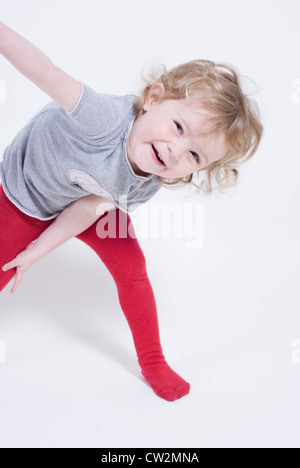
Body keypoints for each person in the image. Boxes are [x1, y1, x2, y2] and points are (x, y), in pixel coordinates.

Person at [0, 21, 263, 402]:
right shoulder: (103, 120)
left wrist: (38, 251)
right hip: (24, 192)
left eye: (194, 155)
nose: (175, 150)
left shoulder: (150, 179)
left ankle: (153, 360)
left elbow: (89, 208)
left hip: (83, 198)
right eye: (177, 127)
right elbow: (46, 71)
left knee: (133, 270)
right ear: (153, 98)